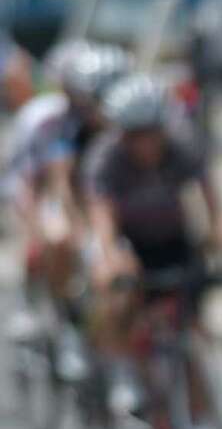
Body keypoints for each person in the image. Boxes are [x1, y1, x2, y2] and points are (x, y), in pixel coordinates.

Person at [84, 73, 222, 428]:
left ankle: (200, 427)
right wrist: (112, 259)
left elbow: (213, 203)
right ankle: (125, 375)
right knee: (116, 291)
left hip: (172, 238)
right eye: (134, 134)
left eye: (151, 131)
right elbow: (102, 219)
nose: (145, 143)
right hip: (128, 241)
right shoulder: (106, 158)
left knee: (190, 336)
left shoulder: (183, 146)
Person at [5, 42, 130, 379]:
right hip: (40, 187)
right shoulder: (50, 121)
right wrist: (73, 229)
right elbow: (54, 183)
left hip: (96, 198)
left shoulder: (126, 123)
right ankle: (45, 310)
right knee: (57, 237)